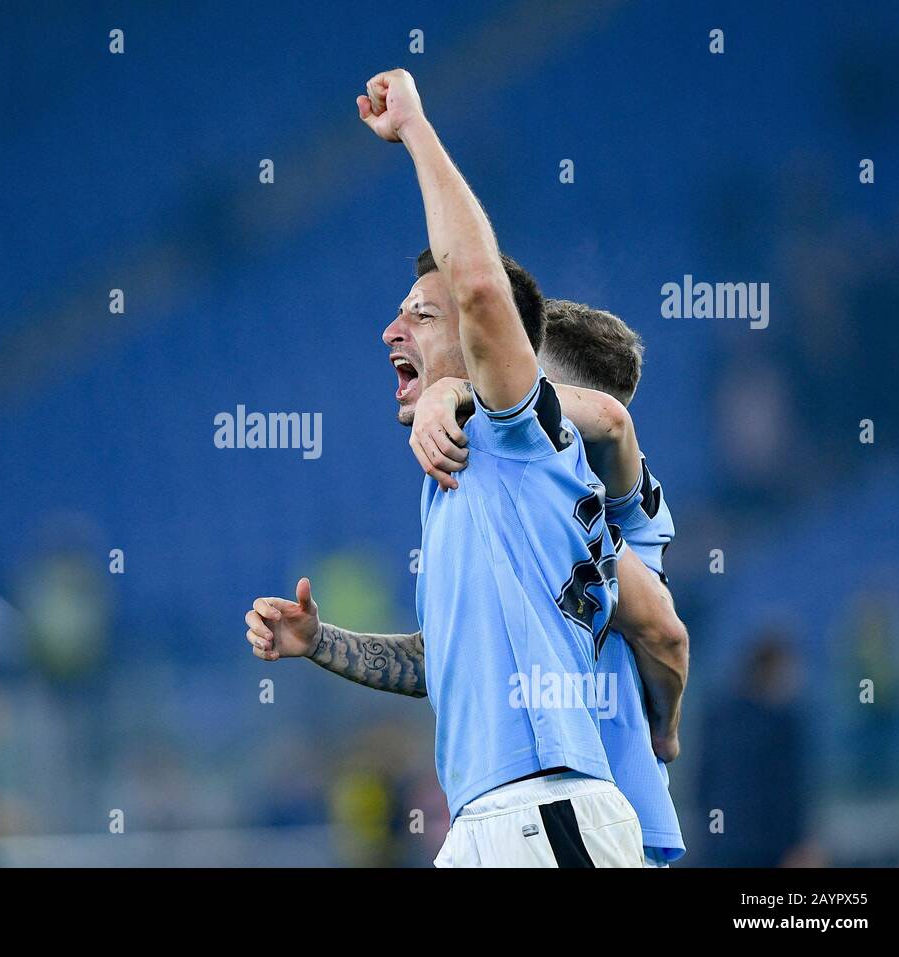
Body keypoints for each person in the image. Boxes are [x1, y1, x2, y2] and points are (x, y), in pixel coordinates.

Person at [245, 69, 686, 867]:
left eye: (420, 314)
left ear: (491, 348)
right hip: (501, 817)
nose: (391, 330)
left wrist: (414, 128)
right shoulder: (469, 475)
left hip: (544, 810)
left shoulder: (513, 441)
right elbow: (443, 659)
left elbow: (482, 288)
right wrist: (321, 642)